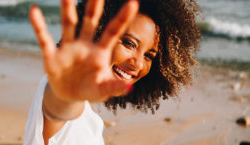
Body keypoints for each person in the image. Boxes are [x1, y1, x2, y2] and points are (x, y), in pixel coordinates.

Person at [24, 0, 201, 144]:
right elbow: (57, 109)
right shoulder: (63, 90)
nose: (138, 64)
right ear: (98, 32)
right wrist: (70, 92)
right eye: (129, 43)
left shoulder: (87, 108)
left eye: (149, 56)